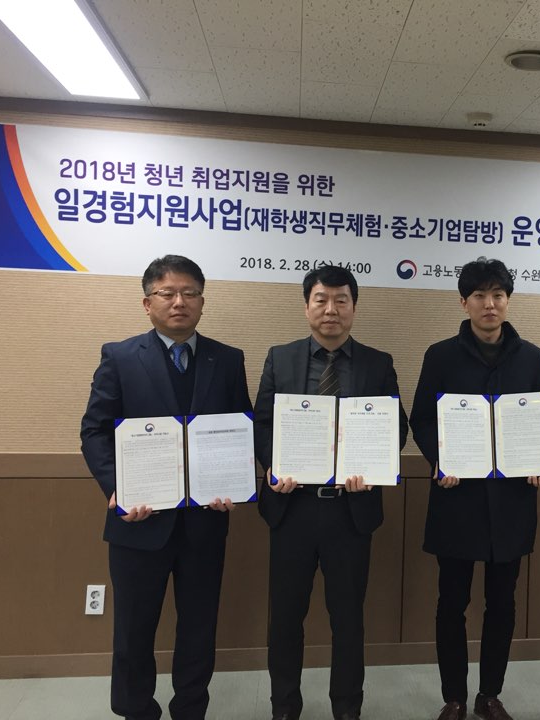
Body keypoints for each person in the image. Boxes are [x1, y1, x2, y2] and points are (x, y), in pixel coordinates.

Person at [80, 255, 252, 720]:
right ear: (147, 303)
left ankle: (190, 710)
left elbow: (240, 428)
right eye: (167, 293)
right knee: (133, 630)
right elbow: (94, 431)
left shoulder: (227, 359)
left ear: (202, 302)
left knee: (199, 628)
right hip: (138, 520)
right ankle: (136, 710)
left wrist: (235, 483)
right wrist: (117, 488)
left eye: (190, 293)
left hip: (205, 520)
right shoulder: (119, 356)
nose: (179, 302)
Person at [253, 265, 408, 720]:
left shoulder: (378, 363)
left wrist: (372, 467)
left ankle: (347, 708)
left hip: (350, 510)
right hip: (292, 509)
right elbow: (262, 423)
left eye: (342, 300)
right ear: (307, 307)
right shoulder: (280, 358)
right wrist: (273, 466)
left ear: (354, 308)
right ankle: (285, 706)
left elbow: (395, 427)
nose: (331, 309)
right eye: (321, 299)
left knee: (348, 619)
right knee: (285, 618)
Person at [409, 258, 540, 720]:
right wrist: (439, 459)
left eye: (498, 295)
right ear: (463, 302)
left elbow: (538, 418)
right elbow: (422, 419)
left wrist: (539, 461)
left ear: (508, 300)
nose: (490, 304)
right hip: (457, 498)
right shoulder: (440, 355)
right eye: (479, 296)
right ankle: (454, 697)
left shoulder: (532, 357)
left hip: (511, 501)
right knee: (451, 603)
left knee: (502, 603)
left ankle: (489, 694)